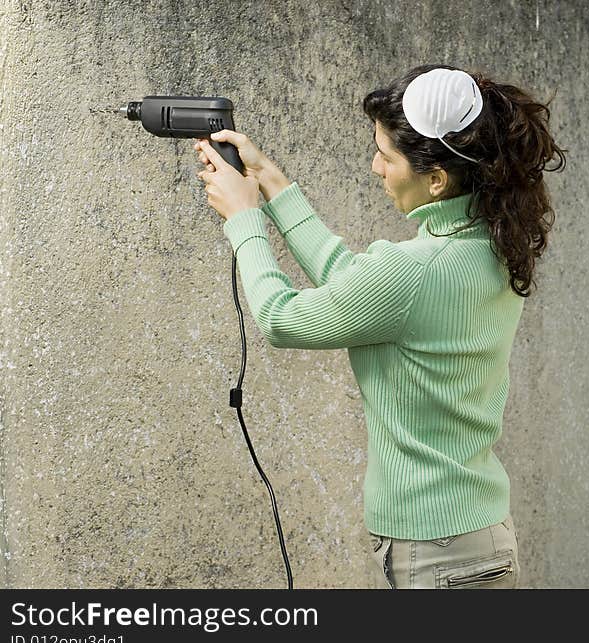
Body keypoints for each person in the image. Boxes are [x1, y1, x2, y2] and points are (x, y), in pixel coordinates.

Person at [193, 64, 566, 588]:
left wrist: (243, 219)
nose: (375, 167)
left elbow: (281, 319)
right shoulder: (490, 243)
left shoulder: (414, 271)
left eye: (386, 157)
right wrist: (269, 181)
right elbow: (357, 284)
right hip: (473, 538)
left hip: (438, 554)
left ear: (435, 178)